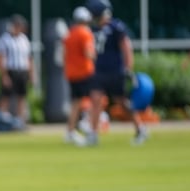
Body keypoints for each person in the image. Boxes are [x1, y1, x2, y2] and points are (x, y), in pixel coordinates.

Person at [86, 0, 147, 145]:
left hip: (115, 71)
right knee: (95, 100)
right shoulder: (94, 29)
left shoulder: (115, 27)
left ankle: (140, 129)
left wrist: (128, 68)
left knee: (122, 103)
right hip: (99, 71)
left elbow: (126, 46)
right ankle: (93, 134)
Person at [62, 6, 96, 146]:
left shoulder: (69, 34)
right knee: (91, 99)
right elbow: (89, 53)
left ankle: (71, 130)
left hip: (71, 73)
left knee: (76, 102)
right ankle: (85, 124)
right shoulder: (85, 33)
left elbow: (64, 55)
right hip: (84, 72)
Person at [0, 14, 34, 122]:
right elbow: (1, 58)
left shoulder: (24, 39)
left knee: (21, 97)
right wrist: (4, 75)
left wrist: (31, 74)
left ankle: (20, 121)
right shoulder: (5, 39)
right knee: (5, 97)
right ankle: (1, 120)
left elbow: (29, 58)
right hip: (10, 71)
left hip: (22, 71)